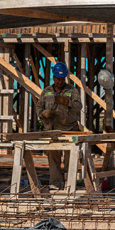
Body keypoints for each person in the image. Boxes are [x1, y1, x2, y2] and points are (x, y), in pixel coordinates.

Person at [35, 61, 82, 189]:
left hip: (69, 129)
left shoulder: (72, 91)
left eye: (62, 79)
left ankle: (68, 182)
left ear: (65, 78)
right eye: (57, 79)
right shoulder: (47, 92)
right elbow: (38, 107)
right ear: (53, 77)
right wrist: (43, 114)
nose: (60, 82)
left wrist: (68, 102)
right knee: (53, 157)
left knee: (69, 158)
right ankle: (55, 183)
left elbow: (79, 107)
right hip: (52, 129)